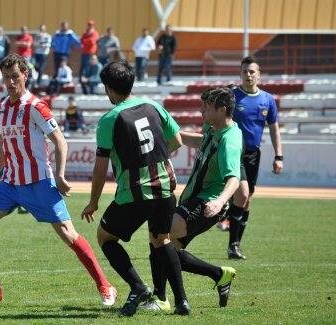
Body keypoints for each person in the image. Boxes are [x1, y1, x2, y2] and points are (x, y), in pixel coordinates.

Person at [0, 54, 117, 307]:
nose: (10, 82)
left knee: (68, 234)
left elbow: (60, 140)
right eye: (6, 78)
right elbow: (3, 145)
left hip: (39, 183)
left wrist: (60, 174)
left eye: (15, 77)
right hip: (10, 183)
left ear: (25, 76)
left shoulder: (35, 106)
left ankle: (105, 285)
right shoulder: (0, 108)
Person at [81, 60, 190, 316]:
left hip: (135, 192)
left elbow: (100, 168)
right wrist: (154, 158)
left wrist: (94, 201)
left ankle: (139, 287)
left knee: (105, 237)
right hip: (164, 187)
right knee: (161, 240)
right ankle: (182, 302)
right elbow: (177, 140)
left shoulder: (109, 119)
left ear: (108, 88)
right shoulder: (154, 105)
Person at [142, 87, 242, 313]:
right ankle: (219, 274)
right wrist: (167, 136)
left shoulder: (230, 140)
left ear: (222, 110)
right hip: (193, 200)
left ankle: (162, 299)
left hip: (207, 203)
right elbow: (199, 141)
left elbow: (234, 178)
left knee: (159, 235)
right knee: (169, 251)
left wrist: (220, 201)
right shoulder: (213, 127)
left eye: (206, 108)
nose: (201, 111)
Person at [225, 56, 283, 259]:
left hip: (253, 155)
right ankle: (232, 244)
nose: (248, 75)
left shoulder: (267, 100)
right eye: (244, 72)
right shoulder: (231, 97)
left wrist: (279, 156)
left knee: (247, 199)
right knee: (242, 193)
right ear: (240, 74)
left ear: (258, 74)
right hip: (233, 152)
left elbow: (274, 129)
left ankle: (235, 243)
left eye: (252, 72)